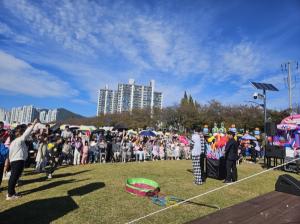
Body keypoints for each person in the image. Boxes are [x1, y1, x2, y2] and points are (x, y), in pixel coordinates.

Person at [7, 119, 38, 200]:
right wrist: (33, 124)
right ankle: (10, 194)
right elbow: (26, 133)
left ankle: (11, 192)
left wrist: (10, 161)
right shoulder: (19, 140)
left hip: (15, 160)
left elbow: (10, 154)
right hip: (18, 160)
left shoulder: (14, 142)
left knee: (14, 177)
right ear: (20, 134)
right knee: (14, 177)